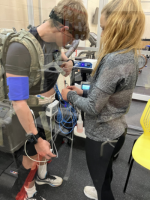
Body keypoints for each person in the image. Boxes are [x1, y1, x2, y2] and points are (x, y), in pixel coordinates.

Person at [4, 0, 89, 199]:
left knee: (44, 149)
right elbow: (18, 102)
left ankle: (40, 177)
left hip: (46, 109)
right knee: (31, 153)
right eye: (71, 39)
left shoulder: (52, 40)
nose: (69, 44)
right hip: (27, 114)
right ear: (64, 28)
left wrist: (67, 62)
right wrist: (34, 137)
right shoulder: (20, 48)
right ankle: (27, 192)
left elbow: (58, 56)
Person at [61, 0, 145, 199]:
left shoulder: (114, 59)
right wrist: (82, 92)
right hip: (117, 132)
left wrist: (69, 95)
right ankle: (101, 183)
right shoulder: (130, 55)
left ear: (118, 27)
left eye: (106, 28)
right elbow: (108, 95)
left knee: (102, 187)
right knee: (105, 172)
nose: (103, 34)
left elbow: (92, 108)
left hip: (101, 137)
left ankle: (101, 189)